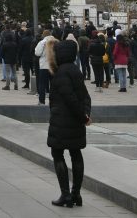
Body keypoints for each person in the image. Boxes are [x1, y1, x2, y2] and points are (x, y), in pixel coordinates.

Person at [47, 40, 91, 208]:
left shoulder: (61, 74)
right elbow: (85, 96)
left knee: (57, 154)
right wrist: (86, 115)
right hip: (75, 122)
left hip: (61, 121)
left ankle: (66, 195)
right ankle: (76, 194)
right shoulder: (75, 70)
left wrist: (83, 117)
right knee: (76, 153)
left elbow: (70, 99)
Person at [35, 30, 55, 103]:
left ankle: (41, 100)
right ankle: (53, 100)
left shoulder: (42, 42)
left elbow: (37, 53)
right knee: (53, 84)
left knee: (42, 84)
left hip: (44, 65)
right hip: (53, 66)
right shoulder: (56, 42)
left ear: (44, 35)